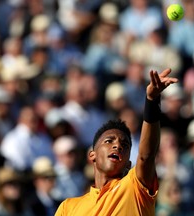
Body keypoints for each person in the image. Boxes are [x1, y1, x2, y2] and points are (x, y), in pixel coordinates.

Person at [55, 68, 178, 215]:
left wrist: (152, 101)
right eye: (109, 141)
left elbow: (147, 156)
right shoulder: (68, 207)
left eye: (125, 145)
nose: (117, 145)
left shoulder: (135, 188)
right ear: (92, 155)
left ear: (128, 163)